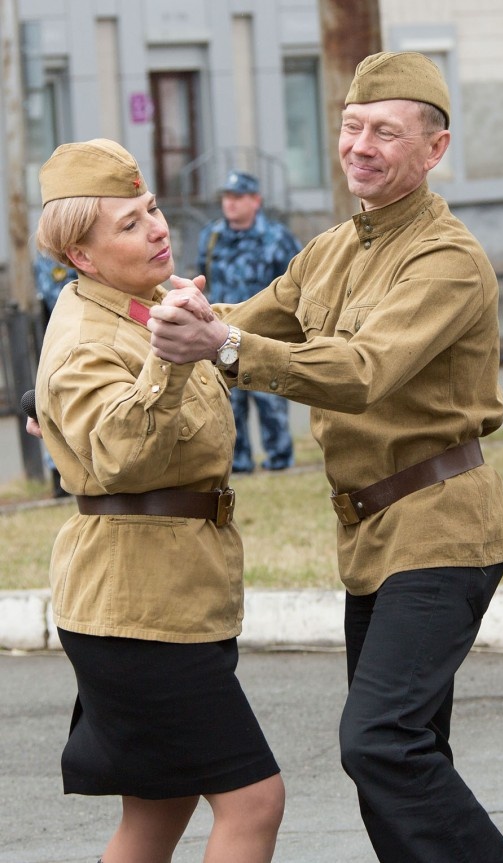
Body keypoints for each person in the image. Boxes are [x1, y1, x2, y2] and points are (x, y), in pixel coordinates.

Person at [147, 52, 503, 863]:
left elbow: (360, 371)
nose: (360, 145)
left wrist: (224, 343)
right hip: (372, 535)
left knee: (380, 741)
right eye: (351, 126)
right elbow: (241, 319)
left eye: (386, 131)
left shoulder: (446, 258)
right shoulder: (327, 251)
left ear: (435, 149)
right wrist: (158, 321)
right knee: (408, 754)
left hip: (442, 526)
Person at [31, 138, 285, 863]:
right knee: (254, 799)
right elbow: (119, 452)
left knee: (159, 807)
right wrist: (169, 364)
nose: (157, 227)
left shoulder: (142, 307)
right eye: (130, 223)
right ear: (82, 255)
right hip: (134, 613)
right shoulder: (88, 334)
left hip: (172, 597)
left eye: (153, 209)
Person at [197, 170, 301, 471]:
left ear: (256, 201)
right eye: (227, 198)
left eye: (239, 197)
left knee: (270, 397)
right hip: (223, 333)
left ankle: (280, 462)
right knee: (230, 402)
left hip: (266, 334)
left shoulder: (278, 237)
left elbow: (295, 284)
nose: (231, 204)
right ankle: (239, 464)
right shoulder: (213, 235)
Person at [32, 253, 77, 497]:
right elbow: (55, 296)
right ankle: (59, 473)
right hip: (61, 339)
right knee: (56, 403)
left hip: (87, 335)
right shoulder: (48, 257)